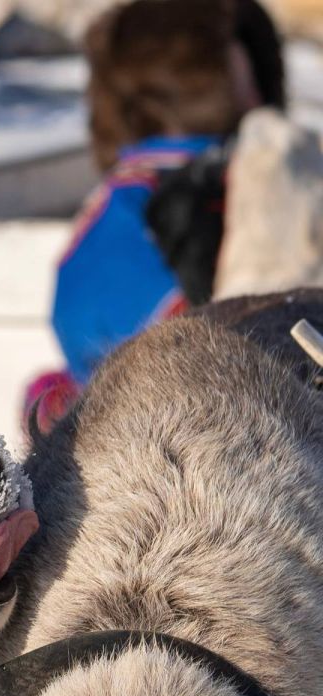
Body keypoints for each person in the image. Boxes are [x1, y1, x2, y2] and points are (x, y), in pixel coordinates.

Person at [26, 0, 285, 432]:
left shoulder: (109, 204)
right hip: (224, 417)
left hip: (105, 427)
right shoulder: (237, 191)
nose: (258, 101)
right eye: (246, 83)